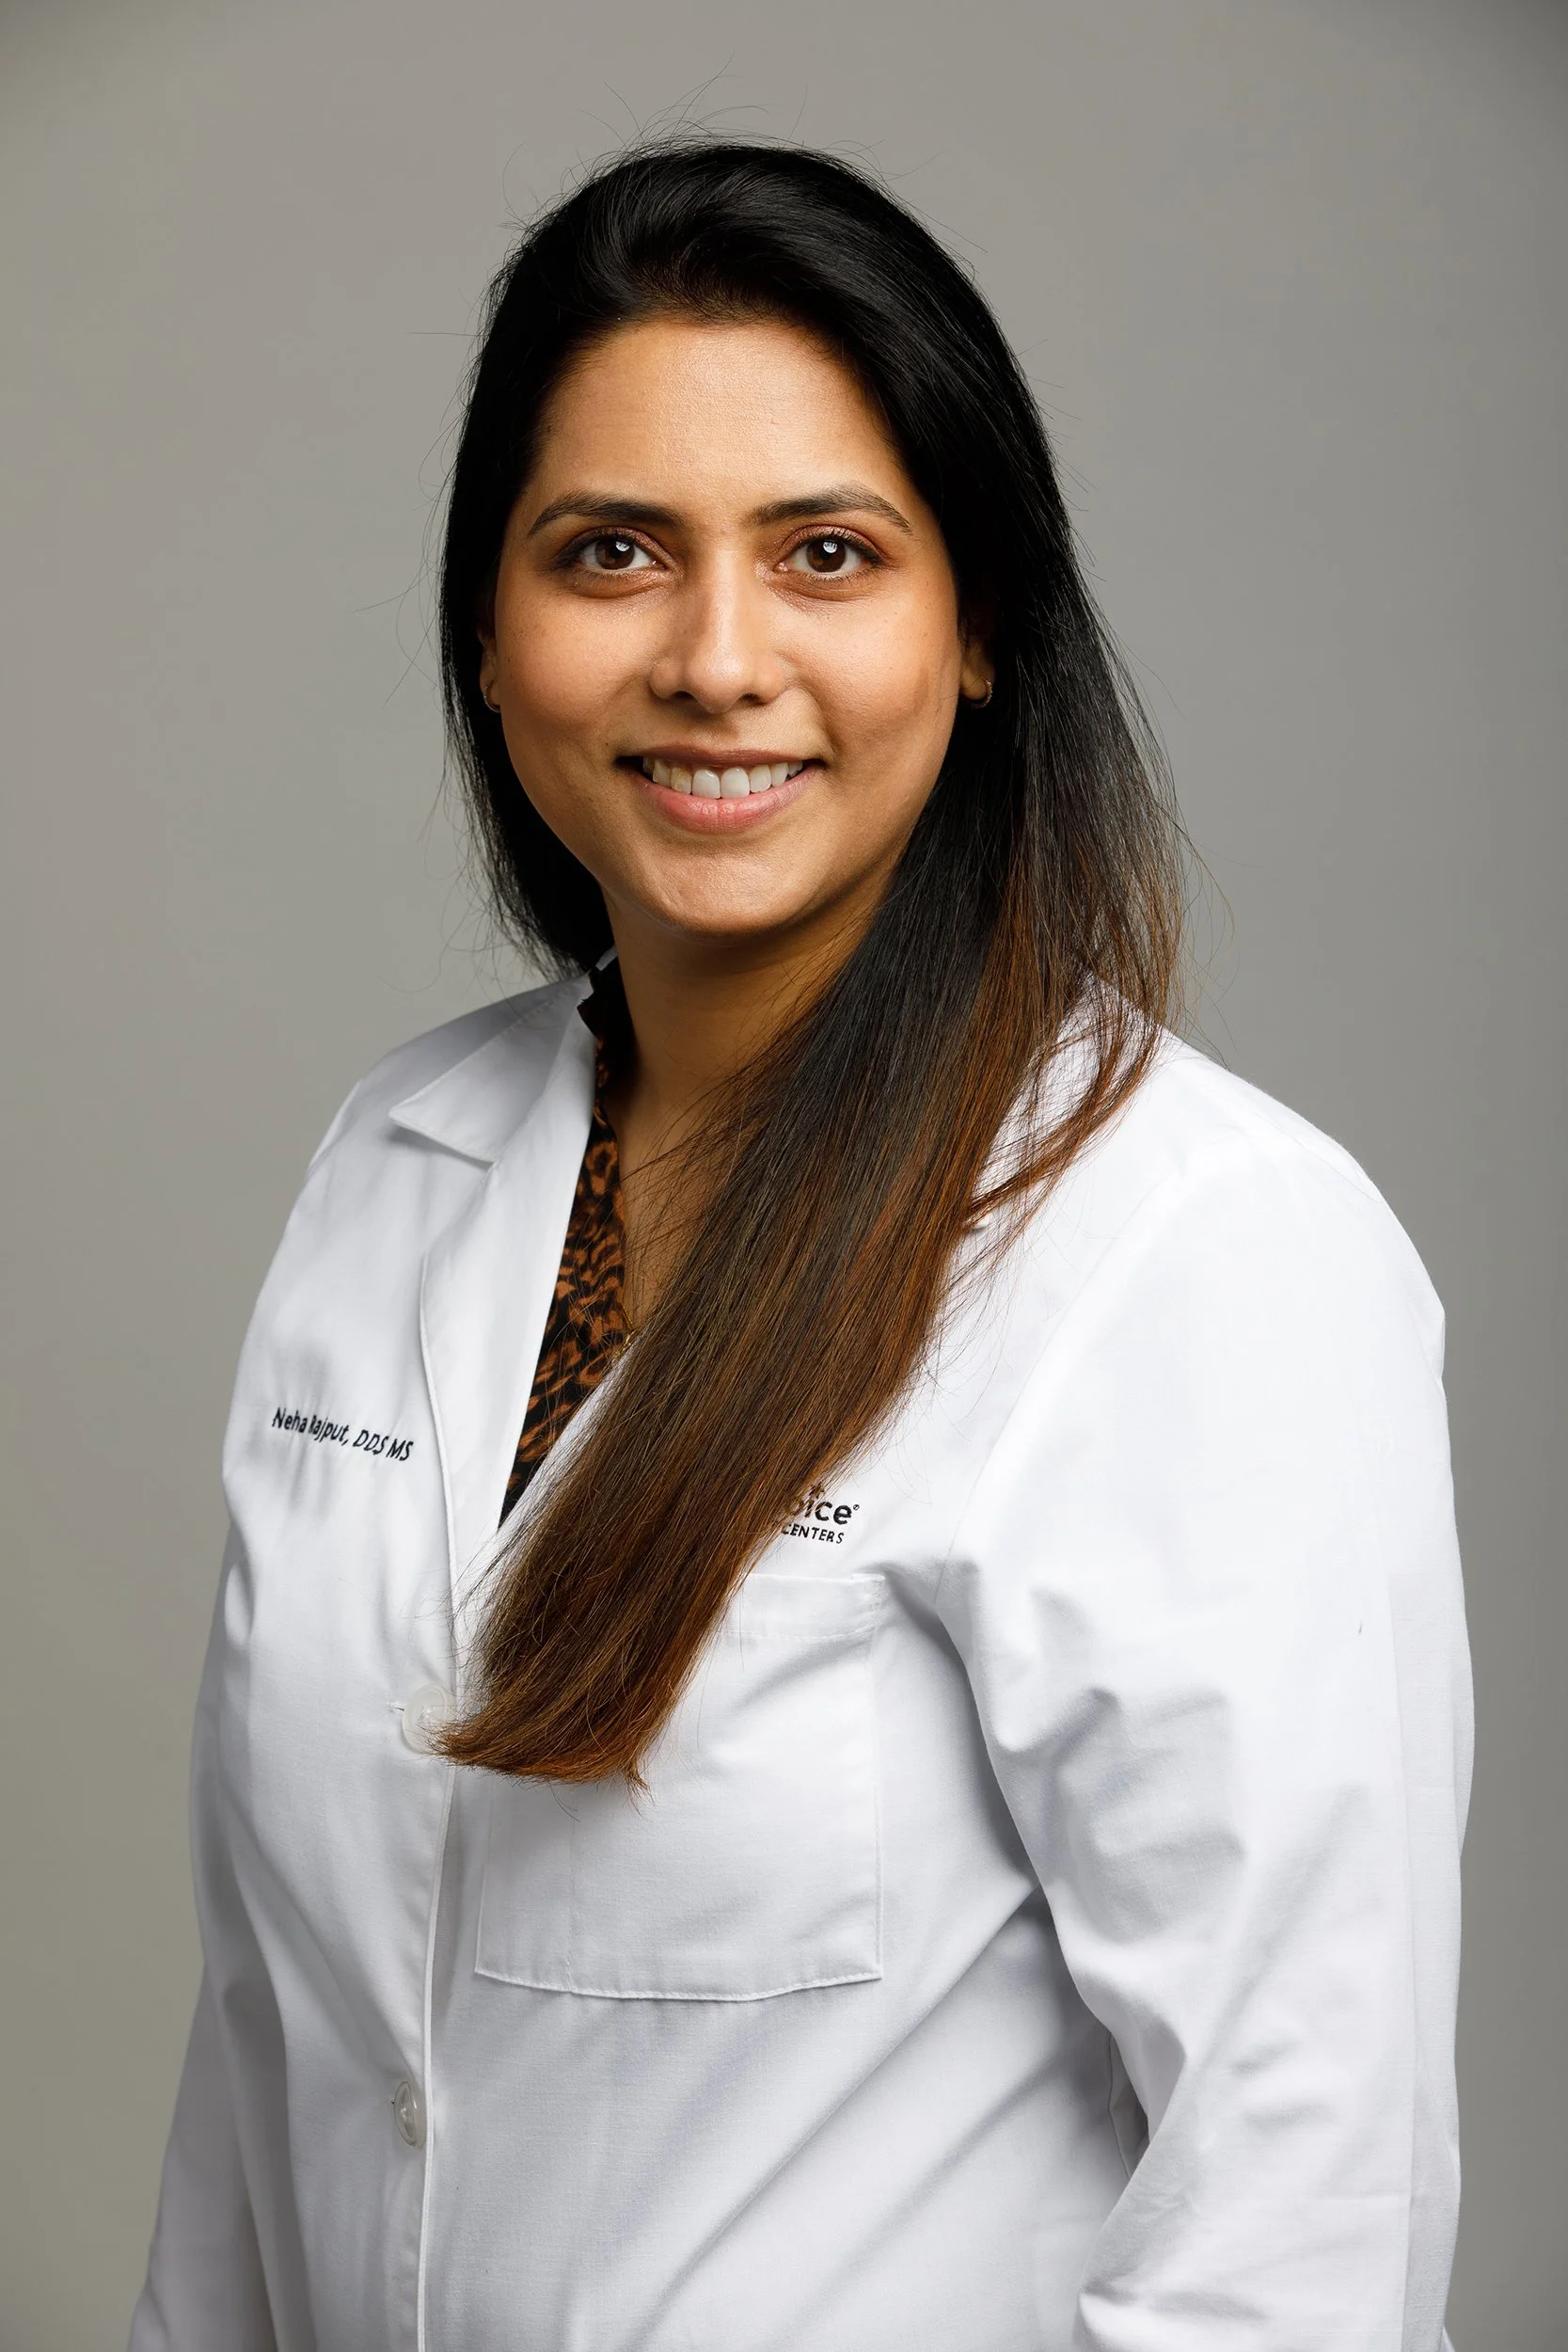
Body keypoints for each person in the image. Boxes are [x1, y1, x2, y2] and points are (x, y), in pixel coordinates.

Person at [129, 141, 1470, 2352]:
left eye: (826, 554)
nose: (714, 657)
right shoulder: (398, 1153)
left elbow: (1296, 2218)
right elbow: (278, 2037)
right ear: (489, 628)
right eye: (611, 551)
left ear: (977, 638)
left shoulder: (1197, 1249)